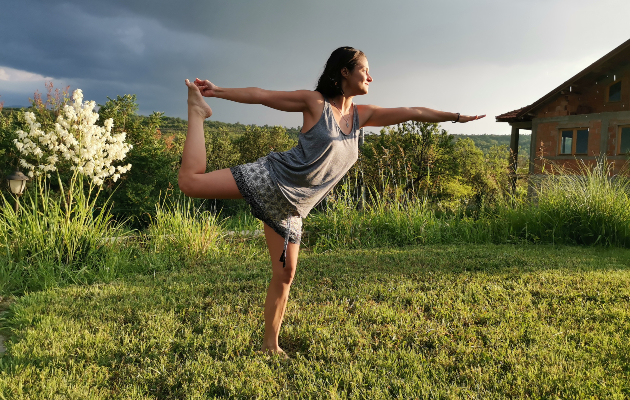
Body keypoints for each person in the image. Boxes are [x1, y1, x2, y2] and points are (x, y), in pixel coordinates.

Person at [179, 46, 485, 357]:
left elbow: (414, 112)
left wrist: (457, 118)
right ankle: (198, 113)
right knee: (191, 183)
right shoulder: (315, 103)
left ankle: (270, 345)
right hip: (272, 179)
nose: (370, 76)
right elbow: (262, 95)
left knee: (285, 274)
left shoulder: (361, 116)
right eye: (364, 70)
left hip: (293, 209)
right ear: (344, 72)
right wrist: (217, 92)